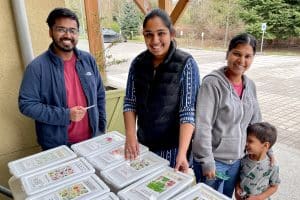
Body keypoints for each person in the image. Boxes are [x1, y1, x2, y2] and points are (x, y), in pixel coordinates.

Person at [192, 33, 270, 198]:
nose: (242, 61)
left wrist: (266, 152)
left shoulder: (250, 86)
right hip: (214, 161)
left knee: (227, 197)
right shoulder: (212, 84)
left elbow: (256, 124)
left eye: (248, 56)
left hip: (237, 161)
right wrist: (207, 161)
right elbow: (203, 126)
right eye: (237, 54)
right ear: (228, 53)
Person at [123, 8, 200, 172]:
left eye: (161, 33)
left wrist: (182, 153)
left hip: (172, 149)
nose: (155, 40)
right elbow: (130, 102)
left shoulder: (186, 63)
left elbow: (187, 112)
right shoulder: (137, 63)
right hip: (143, 144)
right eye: (148, 34)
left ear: (171, 34)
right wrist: (130, 136)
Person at [18, 8, 106, 150]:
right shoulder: (37, 67)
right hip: (57, 146)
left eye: (73, 30)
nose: (68, 35)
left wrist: (101, 128)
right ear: (50, 32)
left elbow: (100, 95)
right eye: (61, 29)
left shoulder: (88, 60)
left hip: (91, 140)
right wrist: (66, 115)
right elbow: (27, 105)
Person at [235, 122, 280, 200]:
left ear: (265, 145)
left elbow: (274, 186)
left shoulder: (272, 166)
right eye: (246, 140)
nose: (246, 144)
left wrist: (258, 198)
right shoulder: (243, 159)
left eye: (250, 141)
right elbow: (238, 177)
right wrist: (237, 188)